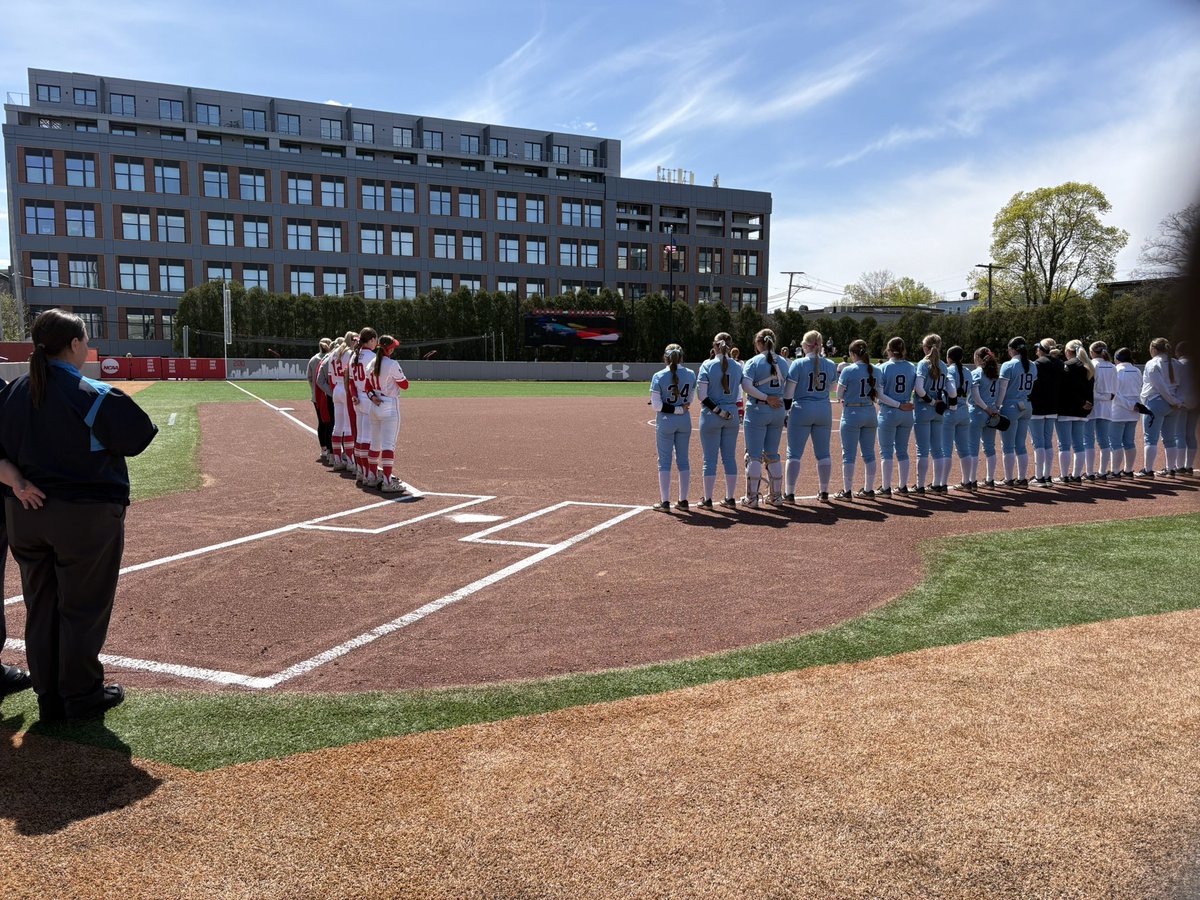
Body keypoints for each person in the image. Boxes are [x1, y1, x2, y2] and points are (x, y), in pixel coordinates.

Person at [0, 309, 158, 721]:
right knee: (82, 607)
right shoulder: (89, 390)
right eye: (85, 341)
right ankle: (81, 694)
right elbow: (138, 435)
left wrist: (18, 481)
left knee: (42, 604)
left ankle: (49, 695)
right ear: (73, 344)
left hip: (25, 514)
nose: (87, 348)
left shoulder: (13, 390)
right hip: (83, 518)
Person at [783, 330, 839, 502]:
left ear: (806, 345)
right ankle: (824, 491)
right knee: (823, 453)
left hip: (801, 409)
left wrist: (785, 412)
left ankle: (790, 492)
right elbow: (832, 388)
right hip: (823, 409)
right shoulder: (830, 363)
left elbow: (788, 393)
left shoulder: (798, 364)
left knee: (793, 454)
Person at [740, 329, 788, 507]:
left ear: (759, 343)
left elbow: (746, 385)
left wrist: (766, 397)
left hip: (758, 410)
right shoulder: (783, 362)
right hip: (777, 410)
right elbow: (789, 387)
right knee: (772, 454)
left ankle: (751, 498)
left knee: (753, 456)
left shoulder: (754, 361)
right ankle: (776, 496)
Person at [696, 332, 743, 509]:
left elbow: (702, 396)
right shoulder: (738, 366)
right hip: (731, 414)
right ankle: (730, 498)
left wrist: (717, 410)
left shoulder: (707, 365)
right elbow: (741, 391)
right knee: (729, 458)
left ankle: (707, 499)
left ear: (715, 346)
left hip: (711, 415)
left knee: (710, 459)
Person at [650, 344, 696, 511]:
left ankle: (665, 502)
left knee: (664, 461)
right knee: (683, 460)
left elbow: (656, 405)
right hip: (684, 420)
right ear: (682, 357)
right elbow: (689, 400)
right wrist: (679, 409)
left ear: (665, 358)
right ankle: (683, 500)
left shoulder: (659, 376)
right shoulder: (690, 374)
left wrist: (674, 409)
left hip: (666, 421)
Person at [834, 339, 880, 500]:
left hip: (852, 413)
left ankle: (847, 491)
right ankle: (869, 489)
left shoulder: (848, 370)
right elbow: (879, 394)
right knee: (869, 454)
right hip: (870, 412)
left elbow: (839, 394)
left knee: (848, 454)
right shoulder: (875, 370)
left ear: (853, 354)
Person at [365, 335, 411, 493]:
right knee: (388, 445)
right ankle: (386, 481)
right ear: (388, 349)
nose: (394, 349)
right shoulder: (392, 364)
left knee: (374, 444)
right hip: (389, 405)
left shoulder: (372, 362)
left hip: (375, 404)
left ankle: (371, 477)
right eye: (392, 347)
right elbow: (405, 385)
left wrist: (372, 397)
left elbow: (367, 386)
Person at [912, 333, 956, 494]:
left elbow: (919, 388)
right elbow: (951, 391)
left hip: (924, 408)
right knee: (937, 449)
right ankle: (938, 484)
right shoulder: (944, 366)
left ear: (926, 348)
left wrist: (930, 401)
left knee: (922, 449)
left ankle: (920, 485)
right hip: (939, 410)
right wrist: (946, 404)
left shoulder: (923, 364)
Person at [874, 337, 916, 497]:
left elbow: (880, 395)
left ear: (889, 350)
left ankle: (886, 488)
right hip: (906, 413)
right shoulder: (911, 367)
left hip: (889, 413)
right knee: (903, 451)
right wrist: (906, 403)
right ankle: (903, 486)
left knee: (886, 452)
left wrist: (898, 405)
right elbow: (917, 389)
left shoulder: (883, 368)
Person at [1136, 337, 1184, 478]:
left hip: (1156, 402)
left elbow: (1160, 387)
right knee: (1170, 438)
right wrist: (1176, 401)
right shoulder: (1176, 363)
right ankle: (1171, 469)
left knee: (1150, 438)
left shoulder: (1152, 363)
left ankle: (1148, 470)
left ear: (1154, 349)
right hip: (1173, 405)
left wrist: (1171, 400)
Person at [996, 336, 1037, 486]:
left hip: (1010, 406)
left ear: (1012, 349)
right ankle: (1022, 478)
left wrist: (996, 407)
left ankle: (1008, 478)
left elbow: (1002, 390)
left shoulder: (1008, 365)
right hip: (1026, 405)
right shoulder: (1032, 365)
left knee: (1008, 445)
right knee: (1021, 444)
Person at [1054, 339, 1095, 484]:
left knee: (1064, 445)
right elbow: (1090, 389)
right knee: (1079, 445)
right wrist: (1088, 404)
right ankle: (1076, 475)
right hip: (1082, 411)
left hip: (1066, 409)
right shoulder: (1088, 365)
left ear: (1068, 351)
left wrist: (1082, 402)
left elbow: (1065, 390)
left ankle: (1064, 476)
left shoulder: (1066, 366)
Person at [1028, 338, 1062, 485]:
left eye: (1038, 348)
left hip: (1037, 407)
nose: (1036, 351)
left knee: (1038, 443)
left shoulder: (1037, 364)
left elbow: (1033, 386)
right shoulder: (1060, 363)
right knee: (1048, 442)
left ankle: (1039, 477)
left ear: (1042, 350)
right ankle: (1047, 476)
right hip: (1053, 406)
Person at [968, 347, 1003, 488]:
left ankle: (971, 480)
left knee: (973, 448)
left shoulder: (976, 372)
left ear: (978, 358)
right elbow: (1001, 394)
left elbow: (976, 397)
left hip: (977, 412)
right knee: (990, 447)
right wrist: (994, 409)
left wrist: (986, 408)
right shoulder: (995, 373)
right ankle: (990, 480)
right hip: (992, 413)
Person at [942, 345, 975, 490]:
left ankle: (941, 483)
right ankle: (967, 481)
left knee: (946, 450)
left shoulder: (948, 370)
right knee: (964, 449)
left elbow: (949, 392)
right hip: (964, 411)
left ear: (949, 358)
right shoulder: (968, 371)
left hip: (950, 410)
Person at [350, 327, 378, 486]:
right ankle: (369, 474)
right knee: (367, 438)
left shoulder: (354, 355)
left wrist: (354, 395)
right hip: (368, 398)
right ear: (372, 339)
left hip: (358, 398)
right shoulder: (372, 357)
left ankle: (361, 470)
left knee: (360, 437)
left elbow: (351, 380)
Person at [1111, 347, 1144, 478]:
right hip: (1134, 411)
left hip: (1119, 411)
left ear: (1117, 358)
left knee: (1115, 443)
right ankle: (1128, 469)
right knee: (1129, 441)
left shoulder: (1117, 370)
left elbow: (1115, 394)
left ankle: (1115, 471)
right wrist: (1134, 405)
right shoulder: (1136, 370)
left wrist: (1129, 405)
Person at [1089, 342, 1119, 479]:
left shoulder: (1092, 365)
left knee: (1088, 440)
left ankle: (1089, 472)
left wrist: (1102, 396)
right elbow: (1114, 392)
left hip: (1092, 406)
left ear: (1092, 352)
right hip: (1106, 407)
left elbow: (1090, 390)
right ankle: (1102, 471)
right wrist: (1106, 396)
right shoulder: (1113, 367)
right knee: (1104, 441)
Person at [308, 338, 334, 464]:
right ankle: (331, 449)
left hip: (316, 396)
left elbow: (309, 377)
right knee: (330, 422)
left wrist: (313, 389)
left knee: (322, 422)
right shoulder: (331, 358)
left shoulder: (313, 359)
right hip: (327, 394)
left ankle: (324, 448)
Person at [1177, 341, 1197, 474]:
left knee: (1179, 434)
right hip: (1196, 403)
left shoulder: (1178, 365)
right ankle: (1189, 466)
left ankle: (1179, 467)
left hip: (1181, 402)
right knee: (1191, 434)